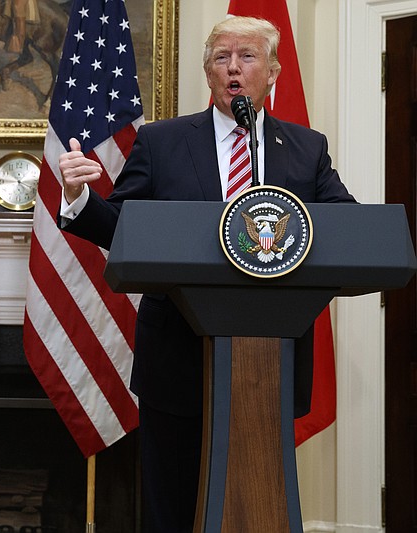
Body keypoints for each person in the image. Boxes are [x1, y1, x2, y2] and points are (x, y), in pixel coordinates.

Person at [57, 16, 355, 533]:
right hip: (178, 355)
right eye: (222, 57)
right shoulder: (163, 142)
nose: (233, 68)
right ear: (208, 72)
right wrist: (80, 198)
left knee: (259, 499)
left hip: (269, 363)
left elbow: (346, 228)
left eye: (247, 56)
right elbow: (124, 226)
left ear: (273, 72)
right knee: (172, 506)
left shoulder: (307, 148)